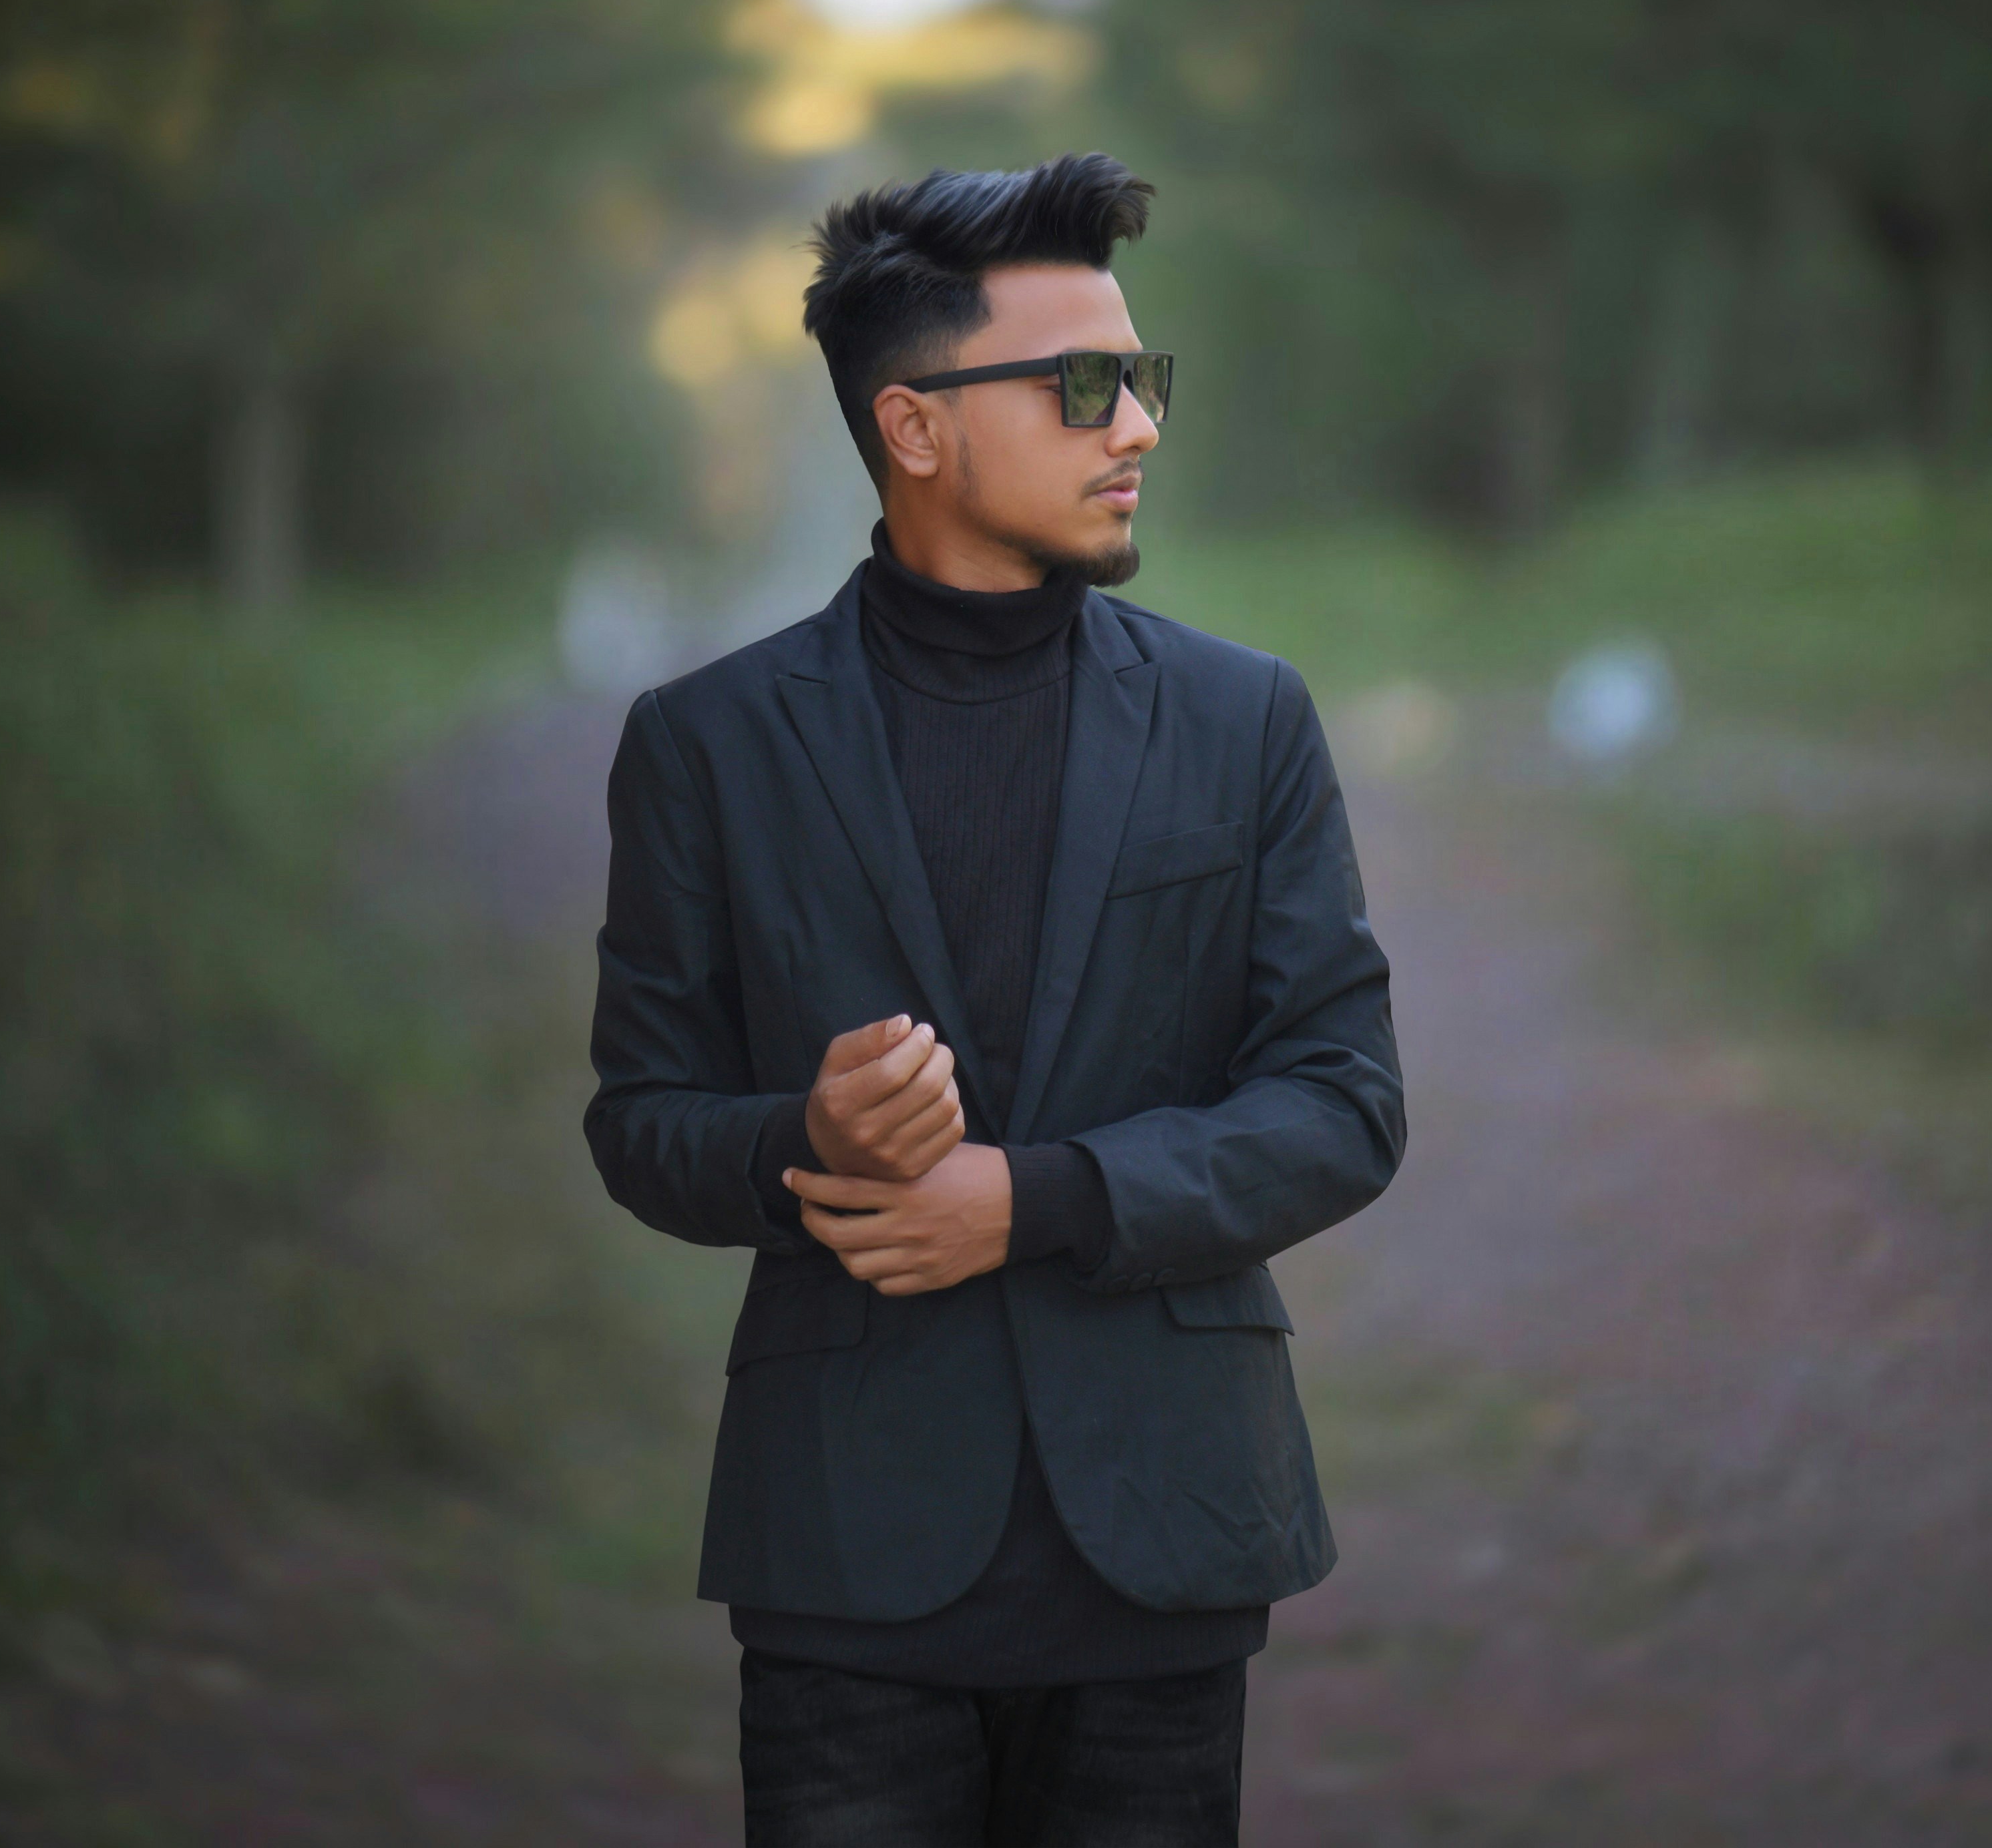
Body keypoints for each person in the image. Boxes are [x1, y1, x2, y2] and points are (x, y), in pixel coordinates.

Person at [584, 152, 1404, 1846]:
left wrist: (1030, 1199)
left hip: (1167, 1535)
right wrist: (803, 1139)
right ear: (915, 427)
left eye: (1145, 381)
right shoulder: (708, 741)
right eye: (1088, 387)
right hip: (844, 1561)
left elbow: (1344, 1101)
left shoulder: (1245, 719)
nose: (1140, 431)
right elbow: (642, 1124)